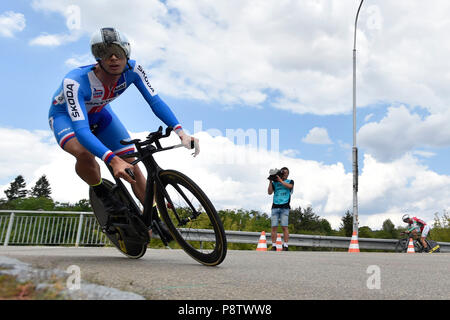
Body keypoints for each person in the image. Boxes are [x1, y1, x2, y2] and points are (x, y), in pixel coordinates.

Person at [48, 27, 199, 215]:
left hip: (101, 115)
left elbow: (155, 101)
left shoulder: (134, 69)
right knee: (85, 154)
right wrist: (112, 160)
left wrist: (181, 133)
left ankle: (154, 217)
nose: (113, 58)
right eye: (105, 53)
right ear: (97, 57)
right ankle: (102, 192)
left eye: (118, 52)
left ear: (127, 53)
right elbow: (82, 130)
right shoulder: (75, 81)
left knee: (131, 164)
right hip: (66, 118)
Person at [268, 167, 294, 251]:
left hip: (285, 207)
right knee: (274, 227)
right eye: (282, 172)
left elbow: (290, 187)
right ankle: (273, 245)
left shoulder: (290, 181)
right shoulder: (275, 182)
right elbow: (269, 192)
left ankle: (285, 245)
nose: (284, 174)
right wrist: (271, 181)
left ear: (287, 174)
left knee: (284, 227)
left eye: (285, 172)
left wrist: (280, 181)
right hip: (275, 206)